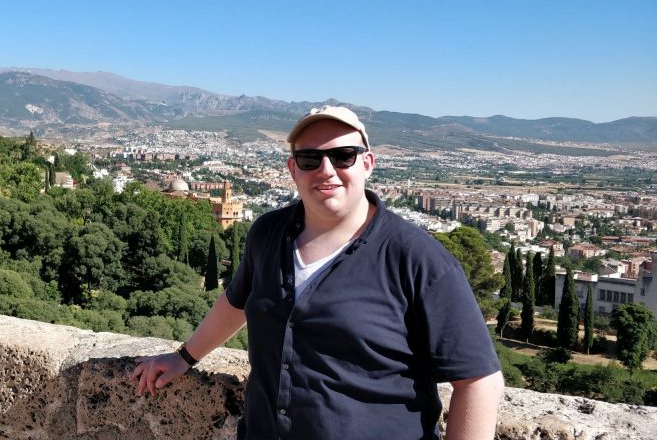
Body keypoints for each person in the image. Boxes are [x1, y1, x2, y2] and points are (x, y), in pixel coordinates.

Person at [130, 106, 504, 439]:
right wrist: (184, 357)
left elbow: (479, 380)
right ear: (293, 169)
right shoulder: (268, 233)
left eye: (343, 156)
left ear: (368, 164)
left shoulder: (416, 258)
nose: (326, 170)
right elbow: (237, 302)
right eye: (310, 159)